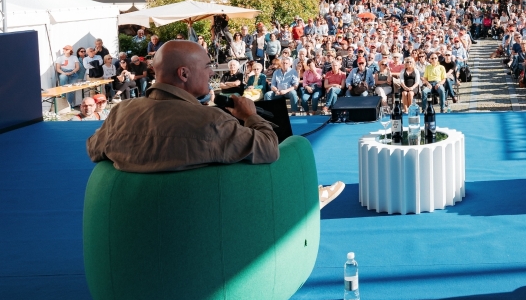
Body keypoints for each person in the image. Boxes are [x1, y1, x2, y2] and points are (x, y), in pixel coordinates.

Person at [85, 40, 344, 206]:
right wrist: (250, 116)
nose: (212, 72)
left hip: (142, 218)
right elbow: (268, 148)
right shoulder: (210, 121)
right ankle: (305, 200)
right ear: (184, 73)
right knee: (292, 145)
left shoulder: (120, 113)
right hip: (213, 213)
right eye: (208, 66)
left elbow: (93, 149)